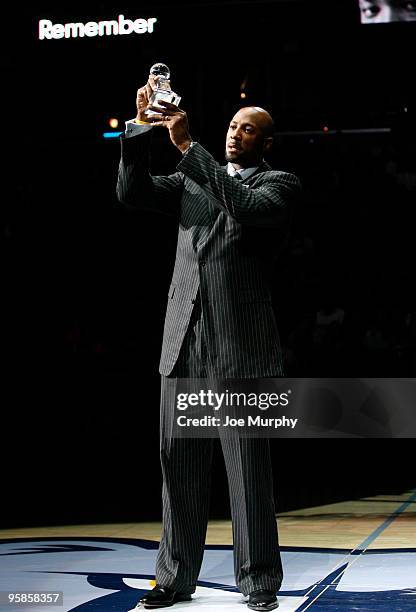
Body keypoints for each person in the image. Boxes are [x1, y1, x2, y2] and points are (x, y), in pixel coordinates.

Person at [116, 75, 301, 611]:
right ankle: (174, 579)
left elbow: (241, 205)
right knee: (179, 468)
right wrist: (137, 130)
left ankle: (260, 583)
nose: (236, 133)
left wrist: (187, 146)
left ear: (266, 144)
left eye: (248, 130)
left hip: (239, 345)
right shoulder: (195, 180)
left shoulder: (280, 184)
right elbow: (132, 193)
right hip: (183, 340)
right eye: (233, 125)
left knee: (247, 472)